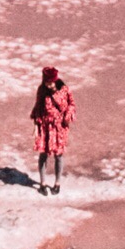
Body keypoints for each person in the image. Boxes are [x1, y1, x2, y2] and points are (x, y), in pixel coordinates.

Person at [31, 65, 75, 194]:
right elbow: (38, 107)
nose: (48, 85)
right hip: (45, 126)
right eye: (46, 83)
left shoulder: (64, 90)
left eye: (50, 83)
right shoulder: (42, 90)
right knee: (43, 154)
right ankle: (42, 184)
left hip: (59, 127)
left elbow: (72, 104)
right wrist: (35, 126)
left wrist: (67, 116)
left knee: (59, 155)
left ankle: (57, 183)